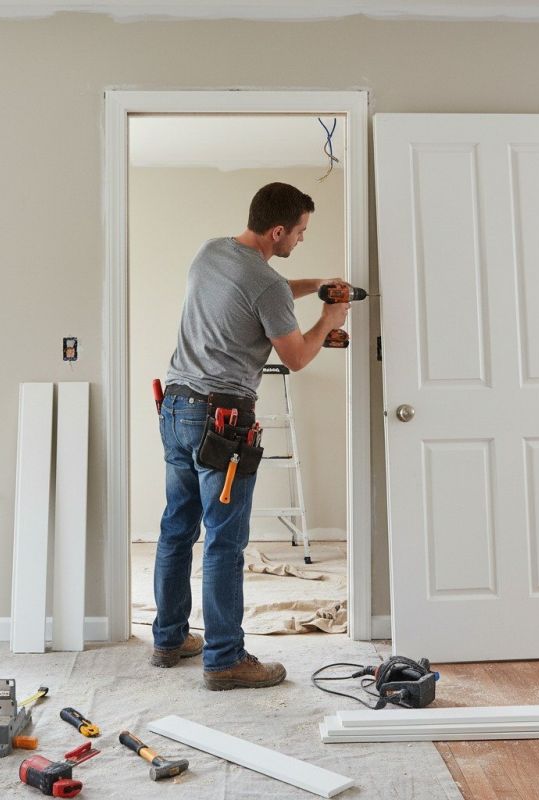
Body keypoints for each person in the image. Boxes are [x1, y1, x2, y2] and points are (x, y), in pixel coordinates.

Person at [151, 182, 350, 690]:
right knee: (224, 542)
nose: (301, 240)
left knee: (177, 529)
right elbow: (297, 358)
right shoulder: (269, 287)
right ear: (278, 230)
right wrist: (330, 315)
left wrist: (316, 284)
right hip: (221, 420)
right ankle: (224, 659)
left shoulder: (213, 251)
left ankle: (169, 638)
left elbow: (269, 286)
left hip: (175, 408)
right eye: (300, 233)